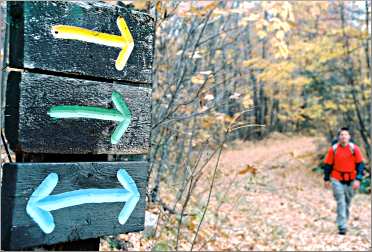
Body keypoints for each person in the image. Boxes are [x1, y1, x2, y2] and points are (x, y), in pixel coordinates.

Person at [323, 127, 365, 235]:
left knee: (347, 202)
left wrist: (358, 179)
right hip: (337, 178)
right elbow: (328, 165)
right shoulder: (334, 149)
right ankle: (342, 226)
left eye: (345, 135)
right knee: (340, 201)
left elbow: (360, 165)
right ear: (338, 137)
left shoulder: (354, 149)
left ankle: (343, 220)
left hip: (351, 179)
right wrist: (326, 179)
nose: (343, 137)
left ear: (349, 137)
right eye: (341, 135)